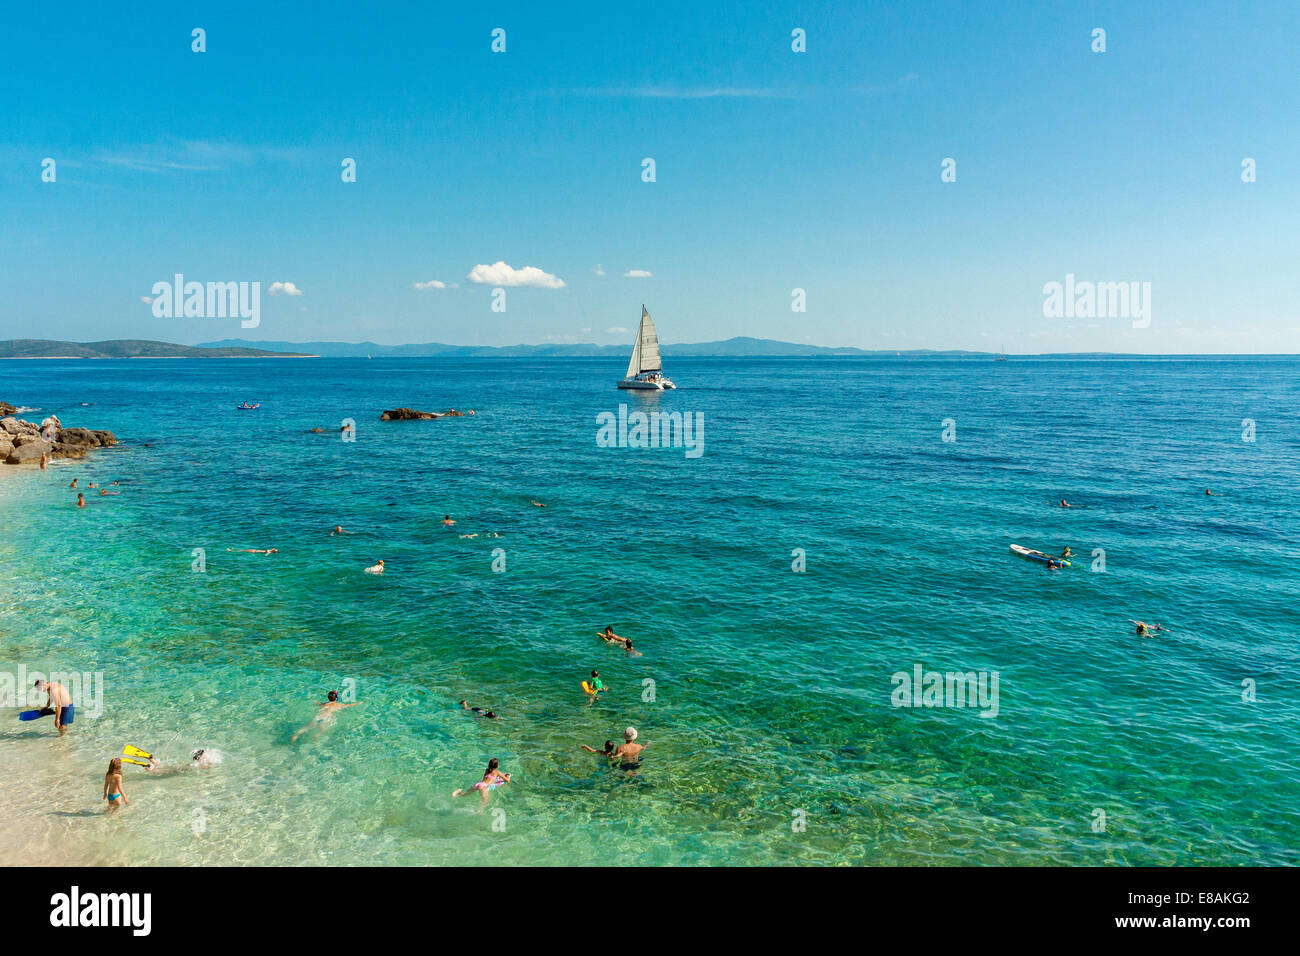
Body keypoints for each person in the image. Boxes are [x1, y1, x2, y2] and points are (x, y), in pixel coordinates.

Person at [291, 690, 360, 743]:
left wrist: (316, 702)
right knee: (323, 730)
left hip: (317, 717)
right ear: (336, 698)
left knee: (307, 728)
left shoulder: (324, 704)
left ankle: (295, 736)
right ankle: (317, 735)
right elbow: (348, 705)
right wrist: (358, 703)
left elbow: (319, 704)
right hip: (325, 718)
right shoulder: (338, 705)